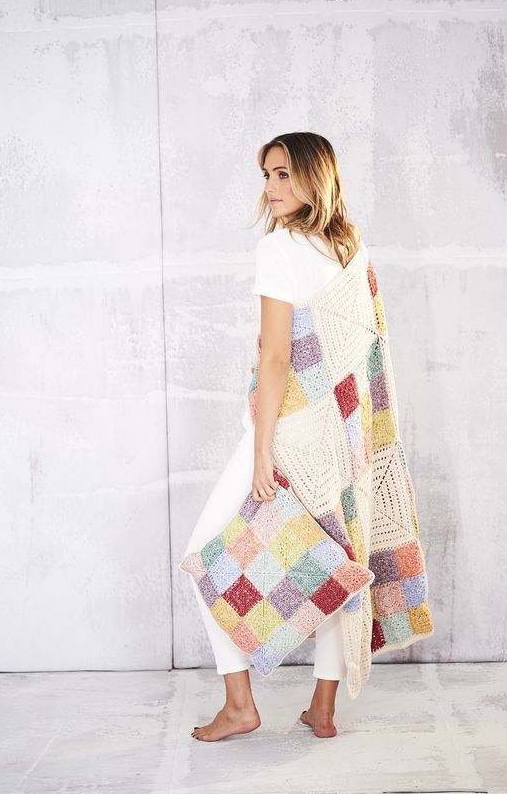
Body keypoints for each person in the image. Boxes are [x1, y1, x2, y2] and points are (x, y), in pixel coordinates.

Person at [182, 132, 365, 741]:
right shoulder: (346, 247)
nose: (272, 188)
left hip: (287, 429)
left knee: (205, 553)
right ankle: (324, 709)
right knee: (334, 562)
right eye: (267, 176)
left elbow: (277, 360)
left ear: (317, 176)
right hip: (340, 434)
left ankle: (240, 705)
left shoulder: (280, 246)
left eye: (284, 174)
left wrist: (262, 451)